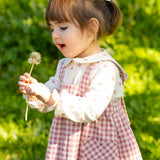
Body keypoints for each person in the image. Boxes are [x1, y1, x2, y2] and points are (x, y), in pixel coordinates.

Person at [18, 0, 143, 159]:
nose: (55, 34)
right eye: (52, 28)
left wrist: (52, 99)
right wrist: (37, 91)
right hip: (69, 143)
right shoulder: (65, 65)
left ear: (91, 28)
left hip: (100, 143)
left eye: (63, 27)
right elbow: (53, 90)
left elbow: (91, 109)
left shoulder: (105, 69)